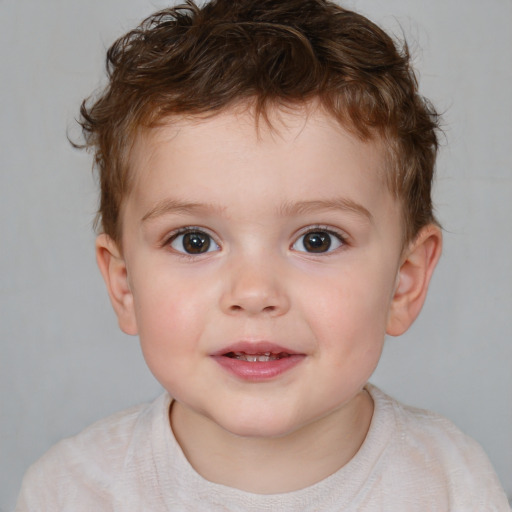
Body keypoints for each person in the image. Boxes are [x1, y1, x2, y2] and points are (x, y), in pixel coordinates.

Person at [16, 0, 510, 510]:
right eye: (194, 240)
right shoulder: (72, 493)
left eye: (318, 240)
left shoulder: (452, 485)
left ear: (404, 282)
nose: (254, 293)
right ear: (124, 285)